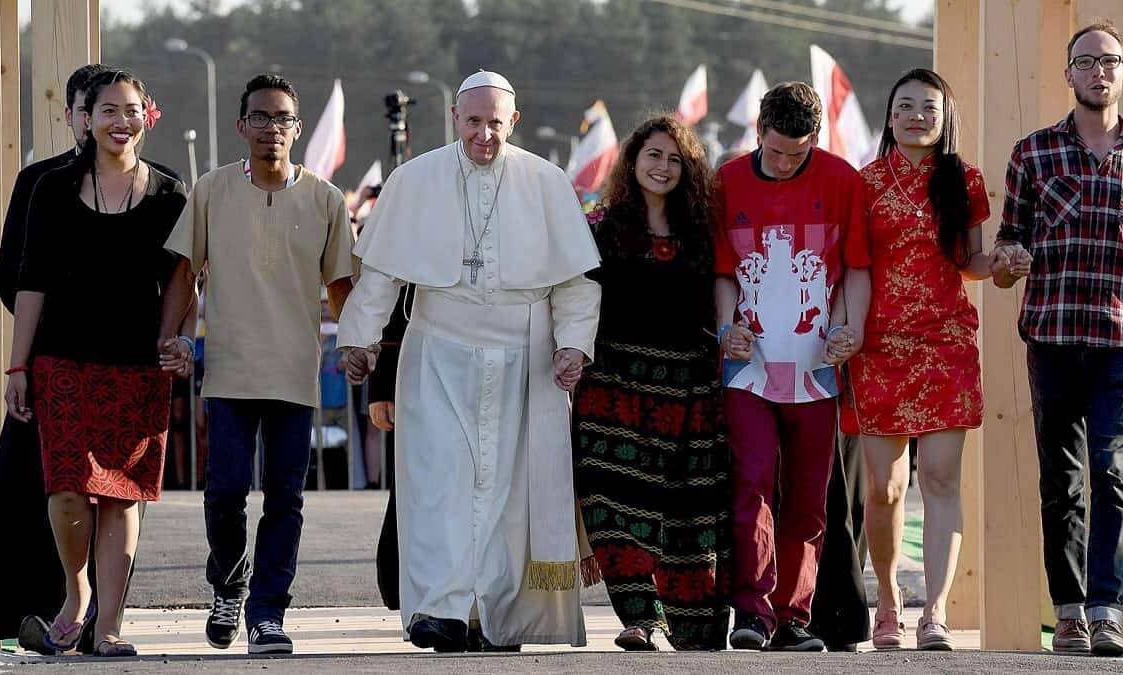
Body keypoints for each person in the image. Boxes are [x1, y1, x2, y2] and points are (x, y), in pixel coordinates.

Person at [337, 70, 601, 652]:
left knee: (508, 494)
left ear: (515, 121)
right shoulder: (414, 180)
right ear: (455, 118)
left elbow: (577, 285)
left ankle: (496, 615)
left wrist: (572, 346)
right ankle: (440, 610)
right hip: (438, 353)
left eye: (496, 123)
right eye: (474, 121)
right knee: (440, 486)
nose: (485, 135)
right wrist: (359, 339)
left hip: (524, 358)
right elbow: (381, 274)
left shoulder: (548, 182)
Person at [0, 63, 180, 653]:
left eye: (131, 109)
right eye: (106, 110)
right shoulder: (46, 185)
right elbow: (20, 278)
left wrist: (175, 340)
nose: (120, 121)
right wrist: (19, 365)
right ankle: (70, 594)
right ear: (81, 117)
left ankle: (106, 626)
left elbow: (184, 278)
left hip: (135, 367)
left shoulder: (170, 190)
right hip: (59, 361)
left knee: (121, 493)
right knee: (63, 488)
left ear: (149, 116)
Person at [158, 74, 356, 655]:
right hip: (228, 370)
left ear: (297, 129)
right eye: (261, 118)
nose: (272, 129)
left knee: (285, 500)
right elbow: (182, 272)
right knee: (223, 492)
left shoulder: (325, 197)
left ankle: (268, 612)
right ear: (242, 126)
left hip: (296, 373)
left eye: (284, 119)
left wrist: (355, 343)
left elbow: (342, 284)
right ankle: (228, 586)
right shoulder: (212, 190)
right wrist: (172, 337)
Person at [992, 20, 1123, 658]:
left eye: (1109, 61)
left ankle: (1108, 608)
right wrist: (1009, 261)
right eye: (1085, 62)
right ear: (1068, 74)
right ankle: (1070, 610)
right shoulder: (1032, 153)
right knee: (1063, 479)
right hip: (1051, 337)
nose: (1098, 72)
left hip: (1122, 339)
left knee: (1112, 471)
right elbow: (1006, 246)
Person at [713, 81, 871, 652]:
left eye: (797, 153)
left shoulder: (842, 180)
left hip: (816, 366)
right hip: (748, 367)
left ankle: (794, 616)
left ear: (816, 141)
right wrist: (728, 327)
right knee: (752, 482)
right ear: (757, 131)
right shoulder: (726, 182)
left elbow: (855, 267)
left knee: (808, 496)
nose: (783, 163)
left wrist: (851, 329)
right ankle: (751, 613)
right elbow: (724, 271)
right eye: (775, 150)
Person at [847, 68, 996, 651]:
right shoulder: (864, 184)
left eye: (928, 108)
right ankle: (886, 597)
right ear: (889, 117)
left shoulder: (966, 181)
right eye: (905, 106)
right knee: (883, 488)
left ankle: (934, 611)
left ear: (945, 117)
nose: (917, 116)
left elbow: (972, 262)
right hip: (881, 346)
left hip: (946, 343)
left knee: (940, 478)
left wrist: (1005, 262)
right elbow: (854, 267)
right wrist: (848, 329)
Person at [571, 115, 730, 651]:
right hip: (612, 390)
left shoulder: (703, 233)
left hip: (688, 391)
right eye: (653, 156)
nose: (662, 167)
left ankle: (695, 629)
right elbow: (571, 302)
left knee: (688, 517)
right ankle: (640, 618)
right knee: (611, 506)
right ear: (633, 161)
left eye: (674, 159)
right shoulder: (599, 226)